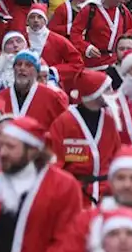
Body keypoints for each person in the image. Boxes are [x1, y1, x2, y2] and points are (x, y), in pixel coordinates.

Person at [0, 115, 85, 252]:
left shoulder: (63, 186)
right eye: (0, 145)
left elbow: (65, 248)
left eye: (11, 147)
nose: (2, 152)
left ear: (33, 151)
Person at [47, 69, 121, 206]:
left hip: (106, 196)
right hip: (75, 195)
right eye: (107, 89)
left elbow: (117, 155)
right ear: (95, 93)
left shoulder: (110, 120)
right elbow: (53, 162)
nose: (113, 93)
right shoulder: (64, 122)